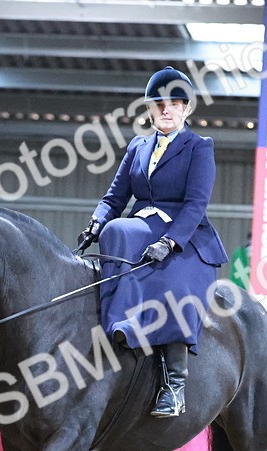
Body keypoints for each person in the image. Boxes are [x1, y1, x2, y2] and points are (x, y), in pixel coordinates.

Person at [77, 66, 227, 418]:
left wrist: (171, 243)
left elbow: (195, 204)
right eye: (158, 103)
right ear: (149, 108)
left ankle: (174, 385)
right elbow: (114, 197)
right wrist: (96, 222)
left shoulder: (198, 147)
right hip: (141, 228)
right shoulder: (138, 146)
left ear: (186, 109)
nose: (166, 109)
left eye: (174, 103)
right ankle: (119, 330)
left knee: (173, 282)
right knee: (115, 230)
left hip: (184, 235)